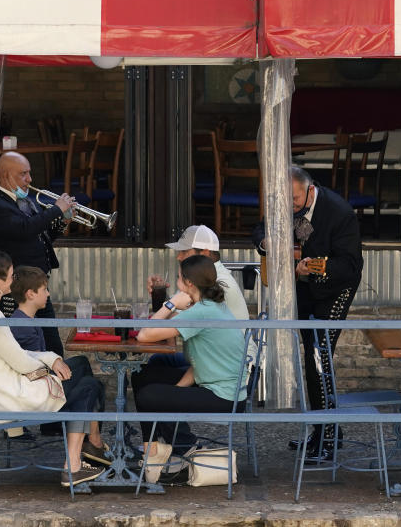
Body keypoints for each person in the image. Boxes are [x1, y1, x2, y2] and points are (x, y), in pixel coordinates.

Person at [0, 250, 106, 486]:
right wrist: (50, 364)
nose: (13, 279)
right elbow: (21, 362)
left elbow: (16, 355)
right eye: (10, 276)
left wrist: (51, 358)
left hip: (1, 390)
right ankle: (75, 464)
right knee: (89, 385)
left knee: (79, 368)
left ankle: (90, 445)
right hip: (11, 396)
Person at [252, 166, 363, 460]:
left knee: (319, 358)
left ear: (310, 188)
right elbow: (261, 229)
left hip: (333, 290)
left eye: (296, 199)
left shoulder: (339, 213)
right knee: (311, 359)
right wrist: (269, 244)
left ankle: (328, 436)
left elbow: (350, 265)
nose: (289, 206)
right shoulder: (285, 202)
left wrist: (314, 267)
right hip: (304, 290)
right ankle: (323, 430)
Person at [132, 255, 248, 483]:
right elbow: (198, 364)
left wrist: (171, 303)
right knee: (144, 376)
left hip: (224, 397)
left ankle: (153, 452)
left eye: (178, 277)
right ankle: (167, 446)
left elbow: (145, 334)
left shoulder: (203, 311)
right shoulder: (209, 306)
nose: (176, 281)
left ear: (189, 284)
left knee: (148, 395)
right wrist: (174, 393)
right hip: (218, 385)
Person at [144, 225, 254, 454]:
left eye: (184, 253)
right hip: (217, 368)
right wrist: (165, 302)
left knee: (150, 389)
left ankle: (173, 449)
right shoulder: (211, 288)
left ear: (204, 255)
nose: (178, 256)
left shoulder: (217, 286)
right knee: (148, 374)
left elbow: (153, 331)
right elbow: (184, 323)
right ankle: (160, 448)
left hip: (227, 377)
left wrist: (170, 303)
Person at [8, 265, 111, 464]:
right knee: (92, 385)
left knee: (81, 362)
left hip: (41, 379)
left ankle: (90, 434)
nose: (48, 294)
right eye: (44, 289)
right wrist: (53, 366)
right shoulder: (21, 325)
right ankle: (93, 439)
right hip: (37, 387)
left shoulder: (25, 318)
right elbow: (26, 363)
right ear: (30, 294)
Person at [0, 151, 75, 357]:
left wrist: (62, 222)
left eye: (29, 173)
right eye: (23, 174)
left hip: (37, 286)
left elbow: (39, 235)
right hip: (17, 291)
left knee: (52, 343)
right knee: (21, 344)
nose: (29, 179)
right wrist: (56, 210)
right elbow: (25, 228)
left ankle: (56, 383)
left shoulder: (25, 201)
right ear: (5, 176)